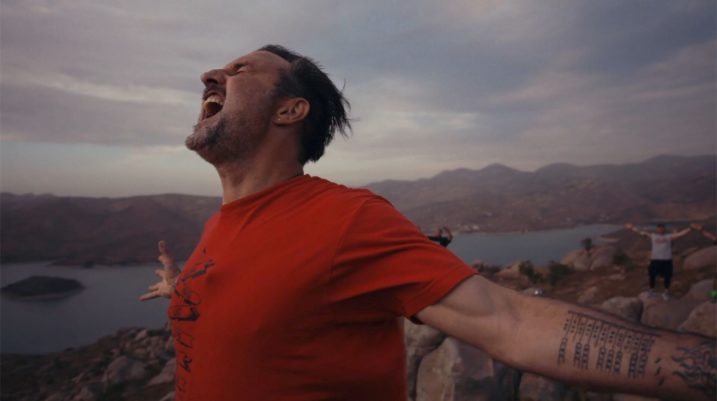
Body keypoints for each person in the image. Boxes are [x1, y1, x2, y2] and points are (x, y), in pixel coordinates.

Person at [139, 45, 714, 401]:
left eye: (240, 69)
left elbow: (508, 321)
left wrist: (703, 368)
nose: (211, 74)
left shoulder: (343, 220)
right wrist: (182, 287)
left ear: (290, 110)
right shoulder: (222, 224)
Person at [624, 223, 691, 300]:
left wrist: (690, 229)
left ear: (664, 229)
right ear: (657, 229)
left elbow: (680, 234)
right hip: (655, 259)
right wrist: (632, 228)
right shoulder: (653, 236)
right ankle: (651, 291)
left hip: (666, 260)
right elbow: (641, 232)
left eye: (662, 228)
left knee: (667, 277)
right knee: (652, 276)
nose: (661, 230)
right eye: (659, 228)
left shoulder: (669, 236)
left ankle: (666, 292)